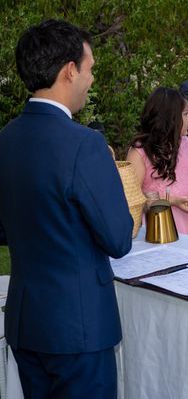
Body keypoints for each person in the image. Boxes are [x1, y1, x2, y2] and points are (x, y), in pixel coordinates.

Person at [0, 19, 133, 398]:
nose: (91, 81)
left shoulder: (5, 139)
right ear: (69, 70)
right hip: (79, 326)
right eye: (89, 70)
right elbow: (118, 238)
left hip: (28, 322)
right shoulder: (85, 145)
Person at [127, 86, 188, 240]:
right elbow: (132, 198)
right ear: (170, 117)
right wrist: (173, 200)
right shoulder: (139, 152)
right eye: (186, 114)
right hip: (159, 226)